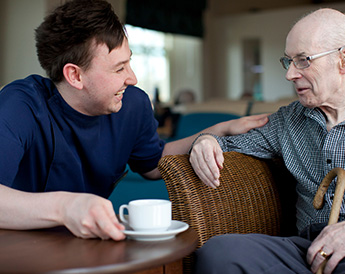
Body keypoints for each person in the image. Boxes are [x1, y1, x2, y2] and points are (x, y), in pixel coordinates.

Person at [0, 0, 269, 241]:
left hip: (87, 243)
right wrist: (65, 207)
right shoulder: (20, 105)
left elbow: (153, 163)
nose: (132, 78)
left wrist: (217, 131)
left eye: (129, 63)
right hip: (16, 245)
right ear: (75, 76)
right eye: (119, 68)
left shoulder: (132, 104)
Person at [189, 8, 345, 274]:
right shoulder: (288, 121)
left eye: (303, 60)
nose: (290, 75)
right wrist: (206, 141)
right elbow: (228, 145)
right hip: (306, 250)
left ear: (344, 60)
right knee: (219, 254)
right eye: (289, 61)